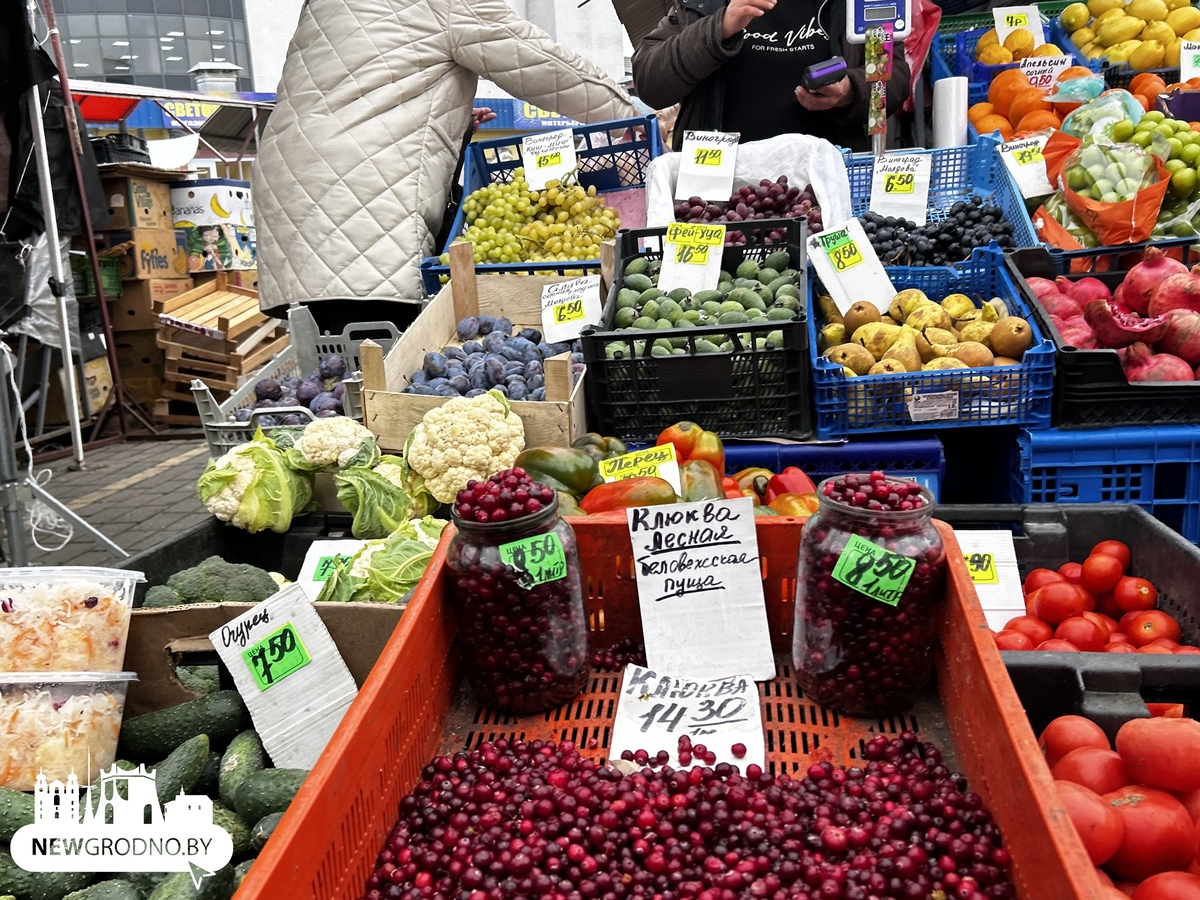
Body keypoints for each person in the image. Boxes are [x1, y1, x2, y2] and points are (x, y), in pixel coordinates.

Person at [254, 0, 636, 311]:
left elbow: (361, 85)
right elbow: (534, 59)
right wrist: (627, 113)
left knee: (332, 361)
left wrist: (450, 120)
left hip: (290, 199)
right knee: (390, 362)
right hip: (362, 201)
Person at [632, 0, 911, 153]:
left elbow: (892, 79)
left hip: (825, 189)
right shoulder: (706, 3)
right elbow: (649, 81)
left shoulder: (857, 4)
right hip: (722, 197)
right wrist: (719, 28)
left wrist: (850, 91)